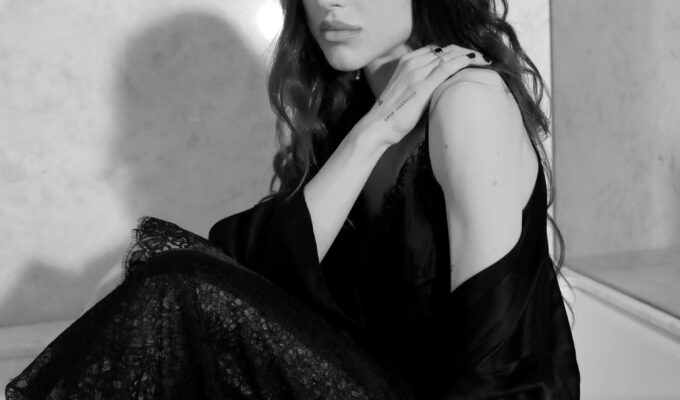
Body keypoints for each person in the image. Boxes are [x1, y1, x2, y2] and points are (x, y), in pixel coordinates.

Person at [5, 0, 580, 398]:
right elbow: (255, 261)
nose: (330, 2)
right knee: (163, 275)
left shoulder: (469, 101)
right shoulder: (358, 111)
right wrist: (372, 132)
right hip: (376, 379)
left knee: (172, 288)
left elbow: (497, 358)